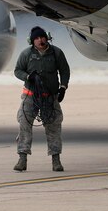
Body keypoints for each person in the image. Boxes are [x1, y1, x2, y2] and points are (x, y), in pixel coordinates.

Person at [13, 26, 70, 172]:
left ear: (47, 38)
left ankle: (56, 160)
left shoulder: (56, 53)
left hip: (50, 97)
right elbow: (17, 70)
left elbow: (64, 70)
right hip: (31, 96)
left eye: (42, 37)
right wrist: (28, 77)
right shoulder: (26, 54)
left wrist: (63, 87)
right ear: (32, 41)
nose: (40, 40)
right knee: (24, 124)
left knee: (54, 126)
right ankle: (22, 158)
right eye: (37, 38)